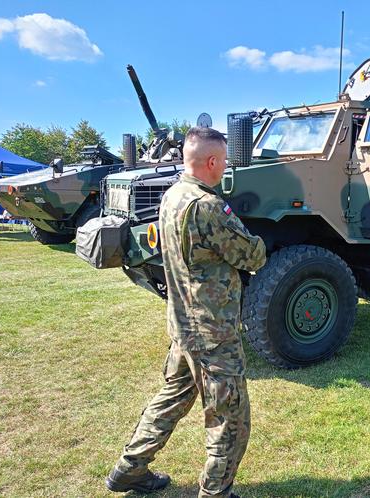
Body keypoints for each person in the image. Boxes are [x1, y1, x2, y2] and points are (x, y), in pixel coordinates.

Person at [106, 127, 267, 497]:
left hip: (183, 326)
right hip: (212, 333)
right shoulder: (208, 206)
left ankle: (128, 469)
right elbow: (252, 254)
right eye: (224, 161)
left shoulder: (173, 195)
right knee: (230, 418)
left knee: (170, 400)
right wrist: (256, 238)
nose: (225, 167)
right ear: (212, 162)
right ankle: (216, 491)